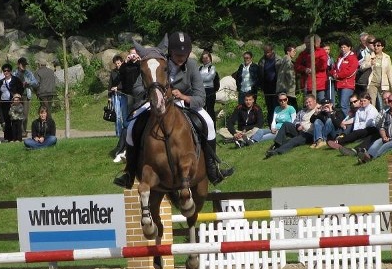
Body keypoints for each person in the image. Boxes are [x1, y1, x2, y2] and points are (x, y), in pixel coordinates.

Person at [114, 31, 233, 188]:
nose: (181, 58)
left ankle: (212, 169)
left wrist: (184, 97)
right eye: (177, 54)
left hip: (184, 104)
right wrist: (152, 93)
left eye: (185, 54)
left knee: (209, 123)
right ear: (170, 52)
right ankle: (129, 173)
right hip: (155, 103)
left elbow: (200, 97)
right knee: (131, 127)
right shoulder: (158, 62)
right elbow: (136, 88)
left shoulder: (191, 65)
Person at [357, 94, 392, 164]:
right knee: (376, 143)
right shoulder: (386, 114)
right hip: (388, 138)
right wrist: (384, 136)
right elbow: (382, 127)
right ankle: (367, 156)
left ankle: (370, 158)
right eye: (390, 101)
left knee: (385, 146)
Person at [0, 63, 24, 142]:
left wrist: (18, 97)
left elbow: (21, 89)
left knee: (16, 121)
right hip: (4, 103)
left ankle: (17, 138)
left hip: (14, 102)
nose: (6, 72)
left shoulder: (16, 80)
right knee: (7, 120)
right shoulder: (1, 82)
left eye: (8, 70)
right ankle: (8, 137)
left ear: (10, 71)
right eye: (4, 71)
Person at [365, 37, 392, 111]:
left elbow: (390, 72)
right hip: (372, 83)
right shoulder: (369, 56)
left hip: (383, 83)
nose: (376, 47)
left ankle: (387, 116)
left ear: (382, 47)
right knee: (372, 102)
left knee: (386, 101)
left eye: (378, 45)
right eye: (375, 45)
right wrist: (370, 63)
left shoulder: (387, 57)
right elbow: (362, 66)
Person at [295, 34, 328, 101]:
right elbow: (296, 66)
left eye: (308, 42)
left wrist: (313, 68)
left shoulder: (321, 52)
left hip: (319, 84)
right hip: (307, 84)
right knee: (308, 104)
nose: (306, 44)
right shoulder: (303, 53)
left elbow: (323, 65)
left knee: (321, 103)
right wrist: (305, 69)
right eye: (305, 43)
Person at [330, 36, 358, 115]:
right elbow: (335, 67)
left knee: (344, 105)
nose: (343, 49)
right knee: (341, 104)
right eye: (341, 47)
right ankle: (344, 120)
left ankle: (346, 122)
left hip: (347, 85)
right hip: (339, 84)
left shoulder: (353, 58)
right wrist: (334, 73)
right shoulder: (340, 57)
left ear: (349, 47)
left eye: (344, 47)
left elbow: (348, 72)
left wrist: (337, 75)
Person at [14, 57, 38, 137]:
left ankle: (23, 129)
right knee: (18, 114)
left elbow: (36, 83)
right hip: (17, 96)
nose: (24, 66)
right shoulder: (14, 73)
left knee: (25, 114)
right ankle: (21, 131)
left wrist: (29, 83)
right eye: (22, 65)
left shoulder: (28, 73)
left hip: (26, 95)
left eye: (25, 65)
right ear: (18, 64)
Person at [258, 44, 280, 127]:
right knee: (269, 106)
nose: (266, 54)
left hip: (276, 86)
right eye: (265, 52)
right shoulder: (262, 61)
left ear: (272, 51)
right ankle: (270, 122)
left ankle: (277, 123)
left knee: (276, 105)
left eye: (268, 52)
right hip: (266, 87)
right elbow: (260, 74)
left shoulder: (278, 59)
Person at [199, 51, 219, 125]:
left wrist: (199, 78)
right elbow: (195, 77)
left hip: (210, 90)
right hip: (201, 90)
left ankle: (212, 126)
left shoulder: (212, 67)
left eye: (207, 58)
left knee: (210, 110)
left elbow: (209, 78)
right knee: (202, 109)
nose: (205, 59)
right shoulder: (200, 68)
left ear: (210, 58)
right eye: (203, 58)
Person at [275, 45, 297, 109]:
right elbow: (290, 76)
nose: (295, 53)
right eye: (293, 51)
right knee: (293, 108)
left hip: (280, 88)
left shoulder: (281, 61)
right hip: (288, 90)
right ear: (288, 52)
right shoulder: (288, 62)